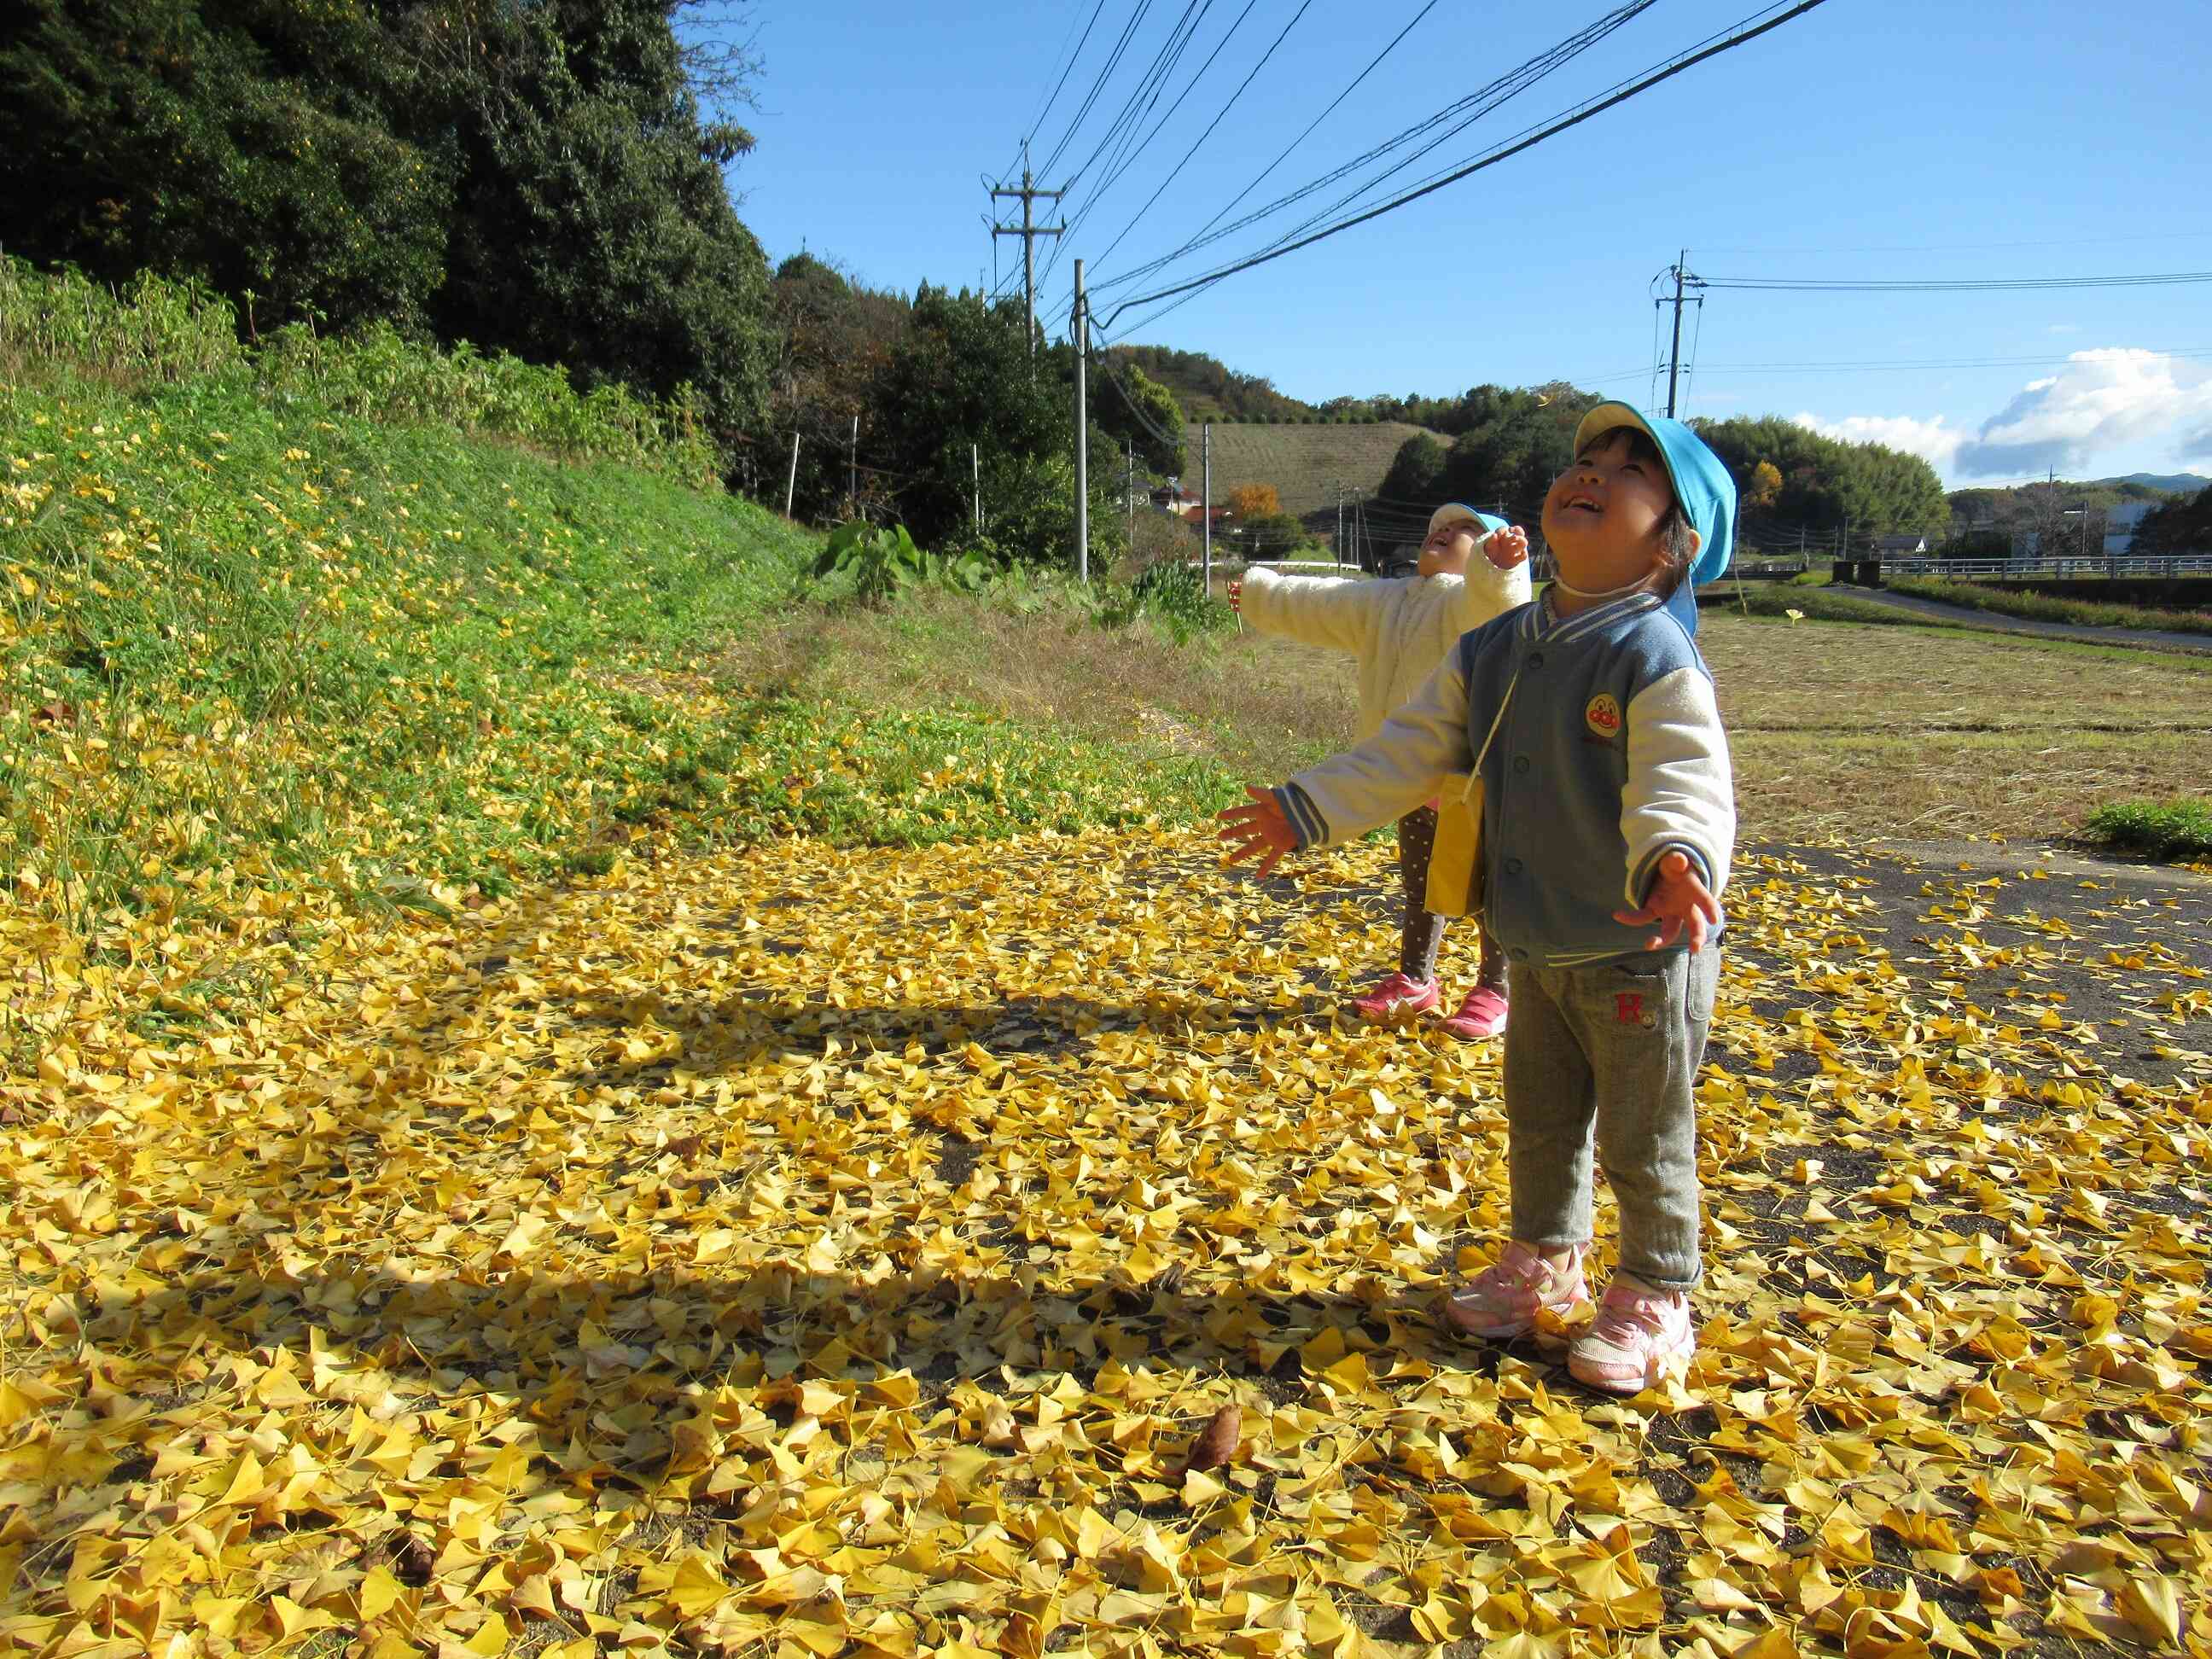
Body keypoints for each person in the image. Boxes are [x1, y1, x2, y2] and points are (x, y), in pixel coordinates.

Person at [1218, 403, 1736, 1394]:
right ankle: (1543, 1262)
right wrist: (1308, 809)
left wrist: (1678, 857)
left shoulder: (1651, 654)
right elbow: (1410, 748)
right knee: (1540, 1122)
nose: (1592, 472)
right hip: (1539, 945)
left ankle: (1657, 1293)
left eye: (1630, 470)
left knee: (1644, 1134)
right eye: (1585, 458)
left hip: (1640, 947)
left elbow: (1685, 773)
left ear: (1677, 543)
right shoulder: (1498, 645)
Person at [1227, 505, 1531, 1037]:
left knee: (1485, 887)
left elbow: (1498, 608)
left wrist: (1499, 569)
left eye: (1466, 530)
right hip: (1402, 778)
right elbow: (1319, 603)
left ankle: (1495, 987)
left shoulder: (1467, 602)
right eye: (1440, 525)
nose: (1446, 530)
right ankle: (1416, 979)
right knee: (1420, 886)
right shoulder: (1386, 599)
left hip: (1471, 777)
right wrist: (1260, 595)